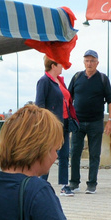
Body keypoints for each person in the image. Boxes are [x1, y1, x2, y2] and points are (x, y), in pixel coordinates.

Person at [66, 49, 111, 195]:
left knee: (95, 154)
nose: (89, 63)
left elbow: (110, 100)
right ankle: (74, 183)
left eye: (92, 61)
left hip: (95, 122)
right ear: (83, 62)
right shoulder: (76, 77)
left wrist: (110, 121)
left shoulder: (103, 79)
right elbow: (69, 98)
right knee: (75, 153)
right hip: (78, 122)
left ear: (97, 63)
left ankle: (91, 184)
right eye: (87, 60)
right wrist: (69, 117)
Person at [33, 57, 76, 194]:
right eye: (60, 64)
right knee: (48, 153)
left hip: (64, 123)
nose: (62, 66)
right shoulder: (44, 81)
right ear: (53, 65)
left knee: (64, 154)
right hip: (51, 125)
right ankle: (41, 182)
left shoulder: (60, 81)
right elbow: (39, 105)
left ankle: (64, 185)